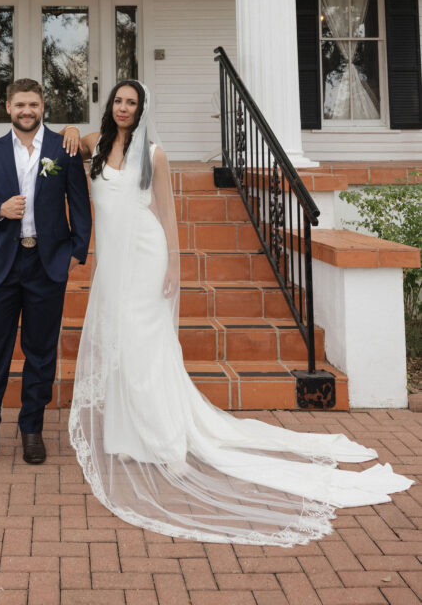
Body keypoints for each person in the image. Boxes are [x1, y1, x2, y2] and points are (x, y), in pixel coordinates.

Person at [62, 80, 413, 545]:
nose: (124, 108)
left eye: (132, 102)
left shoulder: (156, 155)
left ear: (143, 109)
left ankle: (163, 439)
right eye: (118, 101)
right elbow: (73, 138)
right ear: (111, 107)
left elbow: (168, 217)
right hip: (113, 262)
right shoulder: (97, 145)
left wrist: (174, 269)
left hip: (146, 258)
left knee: (146, 344)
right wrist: (68, 124)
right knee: (121, 344)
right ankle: (127, 438)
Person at [0, 78, 92, 472]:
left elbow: (79, 201)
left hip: (47, 265)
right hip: (1, 266)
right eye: (19, 105)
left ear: (43, 106)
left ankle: (32, 429)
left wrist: (77, 250)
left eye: (33, 104)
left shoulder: (64, 148)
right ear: (7, 107)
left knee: (40, 353)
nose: (27, 111)